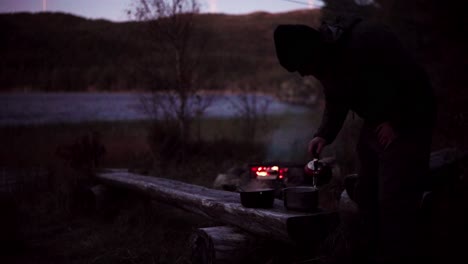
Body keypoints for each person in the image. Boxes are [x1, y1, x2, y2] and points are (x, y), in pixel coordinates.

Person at [274, 17, 436, 264]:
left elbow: (411, 79)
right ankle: (372, 253)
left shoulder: (367, 39)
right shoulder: (325, 62)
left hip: (410, 119)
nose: (304, 72)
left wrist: (397, 122)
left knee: (394, 201)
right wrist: (323, 134)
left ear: (311, 49)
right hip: (377, 122)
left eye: (303, 65)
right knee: (366, 193)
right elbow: (336, 98)